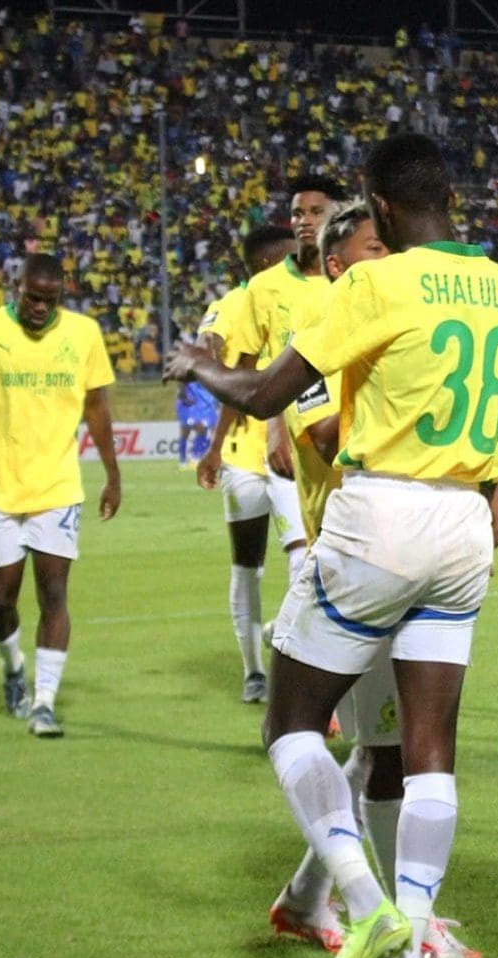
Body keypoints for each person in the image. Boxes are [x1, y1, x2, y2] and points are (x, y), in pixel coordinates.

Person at [166, 133, 498, 958]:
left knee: (292, 723)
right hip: (465, 523)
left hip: (384, 512)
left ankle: (365, 906)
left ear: (374, 200)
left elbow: (267, 396)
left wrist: (199, 367)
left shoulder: (375, 281)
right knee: (428, 751)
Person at [265, 200, 481, 958]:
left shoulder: (390, 316)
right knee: (377, 751)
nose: (389, 262)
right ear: (336, 264)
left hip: (404, 555)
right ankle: (382, 916)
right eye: (372, 250)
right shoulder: (334, 321)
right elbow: (321, 433)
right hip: (356, 556)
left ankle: (322, 902)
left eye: (391, 247)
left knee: (382, 752)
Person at [0, 254, 121, 738]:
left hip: (58, 487)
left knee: (54, 594)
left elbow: (97, 409)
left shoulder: (83, 334)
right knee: (1, 599)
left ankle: (43, 702)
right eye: (32, 298)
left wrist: (113, 474)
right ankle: (13, 667)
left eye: (50, 300)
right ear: (14, 288)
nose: (40, 308)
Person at [219, 176, 349, 700]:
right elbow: (250, 368)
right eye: (297, 212)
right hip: (277, 445)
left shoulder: (352, 281)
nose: (303, 220)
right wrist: (257, 431)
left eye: (315, 211)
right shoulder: (266, 288)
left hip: (339, 444)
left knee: (320, 560)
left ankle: (293, 641)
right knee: (277, 558)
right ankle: (270, 668)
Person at [194, 224, 300, 703]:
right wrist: (216, 447)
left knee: (308, 557)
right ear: (265, 265)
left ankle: (285, 634)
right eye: (288, 257)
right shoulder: (241, 301)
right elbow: (218, 356)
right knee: (249, 565)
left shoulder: (309, 291)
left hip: (294, 451)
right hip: (246, 453)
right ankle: (254, 671)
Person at [175, 379, 218, 469]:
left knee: (210, 429)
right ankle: (184, 460)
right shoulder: (190, 372)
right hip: (190, 403)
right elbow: (181, 380)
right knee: (187, 430)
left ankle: (198, 457)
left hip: (206, 402)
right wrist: (183, 394)